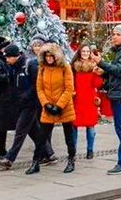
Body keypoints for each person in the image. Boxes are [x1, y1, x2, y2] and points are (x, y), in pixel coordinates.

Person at [0, 44, 47, 172]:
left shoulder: (29, 65)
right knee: (34, 131)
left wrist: (26, 96)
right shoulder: (13, 67)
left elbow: (37, 85)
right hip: (20, 104)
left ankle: (10, 158)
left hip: (30, 104)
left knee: (20, 131)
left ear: (15, 56)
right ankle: (48, 154)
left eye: (8, 57)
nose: (6, 60)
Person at [97, 24, 121, 175]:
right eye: (113, 34)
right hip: (119, 93)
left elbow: (120, 71)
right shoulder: (120, 52)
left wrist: (101, 63)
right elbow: (116, 73)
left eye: (117, 34)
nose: (114, 36)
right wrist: (103, 73)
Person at [35, 42, 77, 174]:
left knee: (68, 135)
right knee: (42, 136)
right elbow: (39, 88)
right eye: (46, 56)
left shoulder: (65, 67)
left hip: (64, 106)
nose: (48, 59)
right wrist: (45, 104)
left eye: (51, 56)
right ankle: (35, 162)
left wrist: (59, 105)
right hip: (48, 106)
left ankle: (71, 160)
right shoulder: (42, 68)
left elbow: (69, 88)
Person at [71, 45, 103, 160]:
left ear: (90, 53)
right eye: (83, 51)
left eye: (87, 51)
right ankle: (72, 150)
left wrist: (98, 73)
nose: (85, 53)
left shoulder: (94, 67)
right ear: (79, 52)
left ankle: (90, 150)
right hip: (77, 99)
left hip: (89, 99)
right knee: (73, 125)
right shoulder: (74, 67)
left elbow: (98, 84)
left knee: (90, 126)